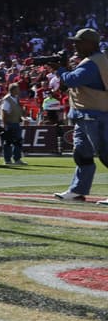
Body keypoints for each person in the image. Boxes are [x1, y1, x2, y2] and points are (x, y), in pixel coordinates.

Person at [53, 28, 108, 204]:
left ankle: (78, 190)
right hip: (85, 114)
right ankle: (77, 190)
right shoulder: (93, 60)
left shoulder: (93, 62)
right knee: (81, 154)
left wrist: (61, 70)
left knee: (106, 153)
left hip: (95, 114)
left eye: (78, 42)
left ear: (90, 44)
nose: (75, 45)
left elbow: (72, 80)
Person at [0, 83, 26, 166]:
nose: (19, 91)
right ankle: (7, 160)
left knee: (18, 141)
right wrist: (4, 124)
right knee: (8, 142)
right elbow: (4, 112)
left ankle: (17, 159)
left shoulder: (16, 98)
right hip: (9, 123)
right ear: (13, 90)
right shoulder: (7, 99)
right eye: (17, 89)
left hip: (16, 122)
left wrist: (21, 117)